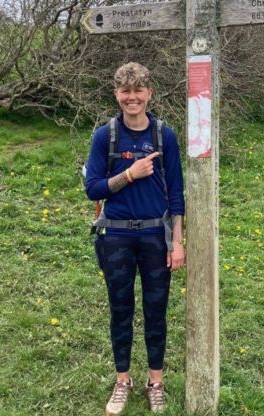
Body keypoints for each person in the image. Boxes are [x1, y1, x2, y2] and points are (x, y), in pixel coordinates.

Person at [84, 62, 185, 415]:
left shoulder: (164, 135)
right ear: (117, 95)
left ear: (149, 94)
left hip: (156, 238)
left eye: (138, 90)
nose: (132, 98)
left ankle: (155, 382)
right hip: (116, 238)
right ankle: (122, 380)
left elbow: (176, 193)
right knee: (121, 309)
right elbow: (92, 188)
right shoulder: (105, 136)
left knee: (156, 312)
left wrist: (178, 241)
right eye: (125, 91)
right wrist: (129, 173)